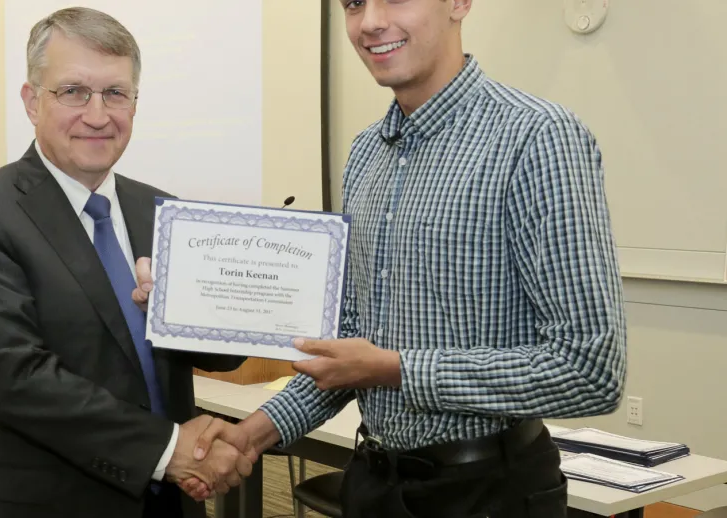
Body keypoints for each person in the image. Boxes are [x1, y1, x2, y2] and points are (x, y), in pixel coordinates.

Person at [141, 0, 627, 516]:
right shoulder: (365, 154)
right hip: (374, 483)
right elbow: (348, 356)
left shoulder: (537, 138)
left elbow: (590, 369)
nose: (369, 21)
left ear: (459, 3)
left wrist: (394, 370)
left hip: (489, 491)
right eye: (353, 3)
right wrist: (251, 436)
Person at [0, 7, 254, 518]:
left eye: (115, 93)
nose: (98, 115)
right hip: (39, 502)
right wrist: (169, 449)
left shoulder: (165, 212)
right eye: (73, 91)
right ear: (31, 101)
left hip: (165, 503)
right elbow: (14, 379)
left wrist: (223, 310)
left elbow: (221, 357)